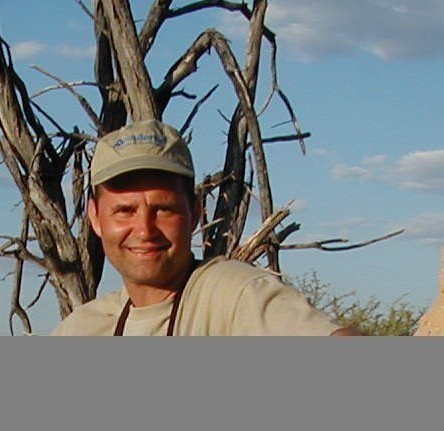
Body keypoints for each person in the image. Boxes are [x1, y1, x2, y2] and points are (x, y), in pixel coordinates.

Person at [50, 119, 360, 336]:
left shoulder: (234, 296)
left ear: (196, 212)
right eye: (124, 211)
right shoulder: (82, 328)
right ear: (95, 217)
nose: (144, 229)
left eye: (163, 209)